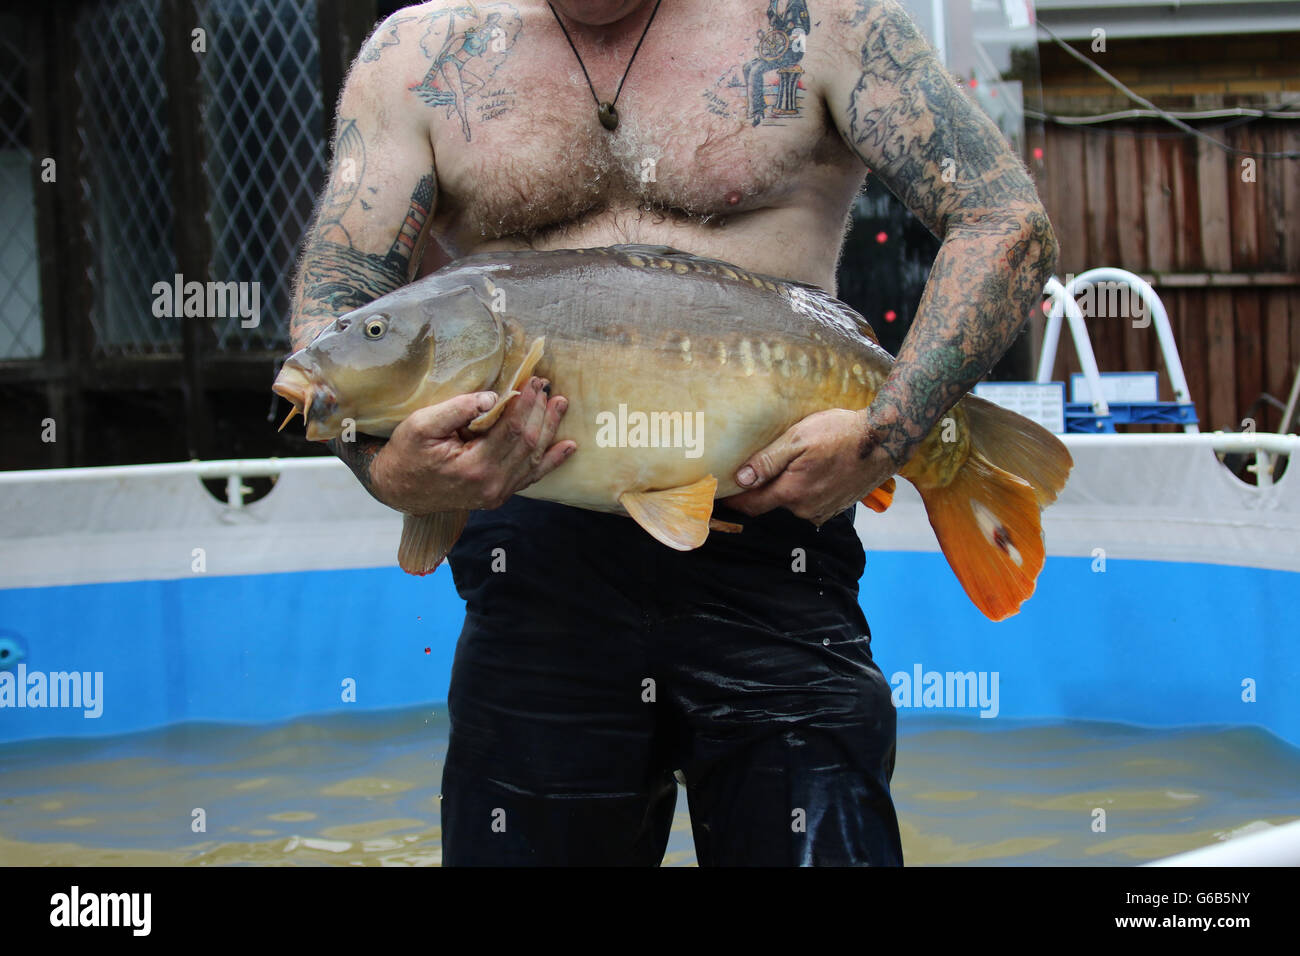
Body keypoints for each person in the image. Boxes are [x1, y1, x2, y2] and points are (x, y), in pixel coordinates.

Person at [288, 0, 1058, 865]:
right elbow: (336, 323)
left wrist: (890, 433)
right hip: (533, 568)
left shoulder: (819, 21)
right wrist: (388, 472)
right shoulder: (420, 54)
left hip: (777, 547)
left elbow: (1004, 220)